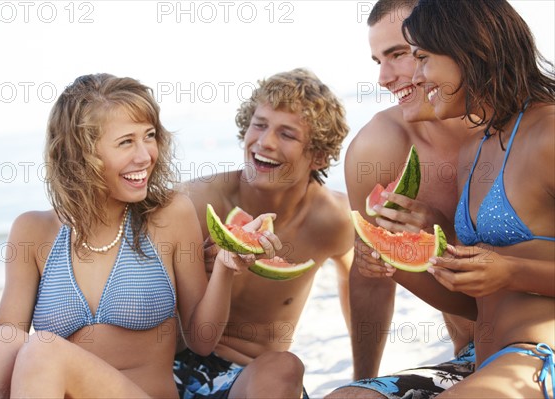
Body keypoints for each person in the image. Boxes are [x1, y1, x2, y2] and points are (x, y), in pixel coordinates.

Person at [0, 73, 281, 398]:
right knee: (6, 343)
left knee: (42, 348)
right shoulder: (32, 231)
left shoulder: (170, 215)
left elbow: (201, 339)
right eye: (126, 142)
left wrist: (224, 268)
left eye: (149, 136)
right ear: (80, 152)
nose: (145, 156)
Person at [356, 0, 554, 397]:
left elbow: (508, 272)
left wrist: (511, 271)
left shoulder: (549, 133)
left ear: (470, 50)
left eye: (423, 58)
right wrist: (400, 261)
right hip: (485, 358)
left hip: (540, 357)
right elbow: (472, 302)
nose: (419, 74)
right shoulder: (476, 151)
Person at [173, 68, 355, 398]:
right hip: (176, 366)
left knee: (285, 365)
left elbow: (358, 287)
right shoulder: (195, 202)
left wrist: (363, 378)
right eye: (259, 124)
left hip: (256, 382)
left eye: (287, 134)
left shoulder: (334, 220)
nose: (265, 142)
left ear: (318, 155)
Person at [328, 1, 477, 397]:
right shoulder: (378, 148)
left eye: (398, 54)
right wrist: (362, 380)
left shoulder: (530, 129)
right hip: (475, 356)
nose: (383, 77)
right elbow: (372, 274)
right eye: (377, 60)